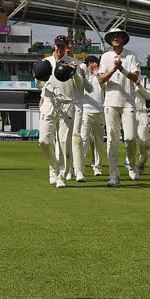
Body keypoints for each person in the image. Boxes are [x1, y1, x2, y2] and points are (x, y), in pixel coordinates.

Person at [34, 35, 84, 188]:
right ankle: (54, 168)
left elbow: (80, 85)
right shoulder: (46, 62)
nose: (60, 48)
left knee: (63, 142)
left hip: (67, 104)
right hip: (49, 103)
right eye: (58, 45)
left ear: (66, 47)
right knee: (44, 140)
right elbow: (39, 86)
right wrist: (37, 77)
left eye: (63, 46)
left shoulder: (72, 63)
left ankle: (61, 175)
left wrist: (74, 72)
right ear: (54, 46)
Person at [99, 27, 141, 186]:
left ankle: (131, 165)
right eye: (113, 36)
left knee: (130, 138)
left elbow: (135, 76)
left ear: (123, 39)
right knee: (112, 141)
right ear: (110, 40)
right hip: (110, 102)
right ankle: (113, 175)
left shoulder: (131, 56)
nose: (115, 38)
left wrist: (121, 68)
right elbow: (101, 79)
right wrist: (113, 69)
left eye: (118, 36)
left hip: (128, 102)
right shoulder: (105, 56)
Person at [73, 55, 105, 179]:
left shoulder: (99, 76)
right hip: (86, 111)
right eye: (94, 63)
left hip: (99, 112)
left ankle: (97, 167)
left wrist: (97, 75)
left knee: (99, 143)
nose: (96, 65)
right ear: (89, 64)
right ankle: (80, 167)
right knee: (84, 140)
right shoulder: (82, 76)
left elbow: (104, 89)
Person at [67, 39, 92, 181]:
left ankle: (79, 171)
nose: (68, 51)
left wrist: (82, 75)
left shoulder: (81, 65)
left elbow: (89, 88)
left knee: (76, 137)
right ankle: (68, 170)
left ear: (74, 49)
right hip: (64, 107)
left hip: (77, 106)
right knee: (65, 139)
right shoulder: (59, 65)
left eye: (70, 48)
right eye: (65, 48)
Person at [133, 74, 150, 173]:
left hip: (141, 111)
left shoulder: (144, 78)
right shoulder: (124, 76)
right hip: (129, 111)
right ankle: (130, 163)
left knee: (144, 141)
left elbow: (148, 96)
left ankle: (141, 164)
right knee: (130, 139)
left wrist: (139, 86)